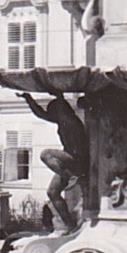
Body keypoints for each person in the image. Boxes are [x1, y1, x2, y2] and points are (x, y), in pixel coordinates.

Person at [20, 92, 89, 232]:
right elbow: (41, 114)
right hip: (69, 162)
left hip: (78, 159)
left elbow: (60, 110)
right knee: (52, 192)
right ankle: (70, 225)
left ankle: (70, 176)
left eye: (53, 112)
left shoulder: (70, 120)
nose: (51, 116)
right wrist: (29, 99)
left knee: (46, 154)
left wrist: (59, 95)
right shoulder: (61, 121)